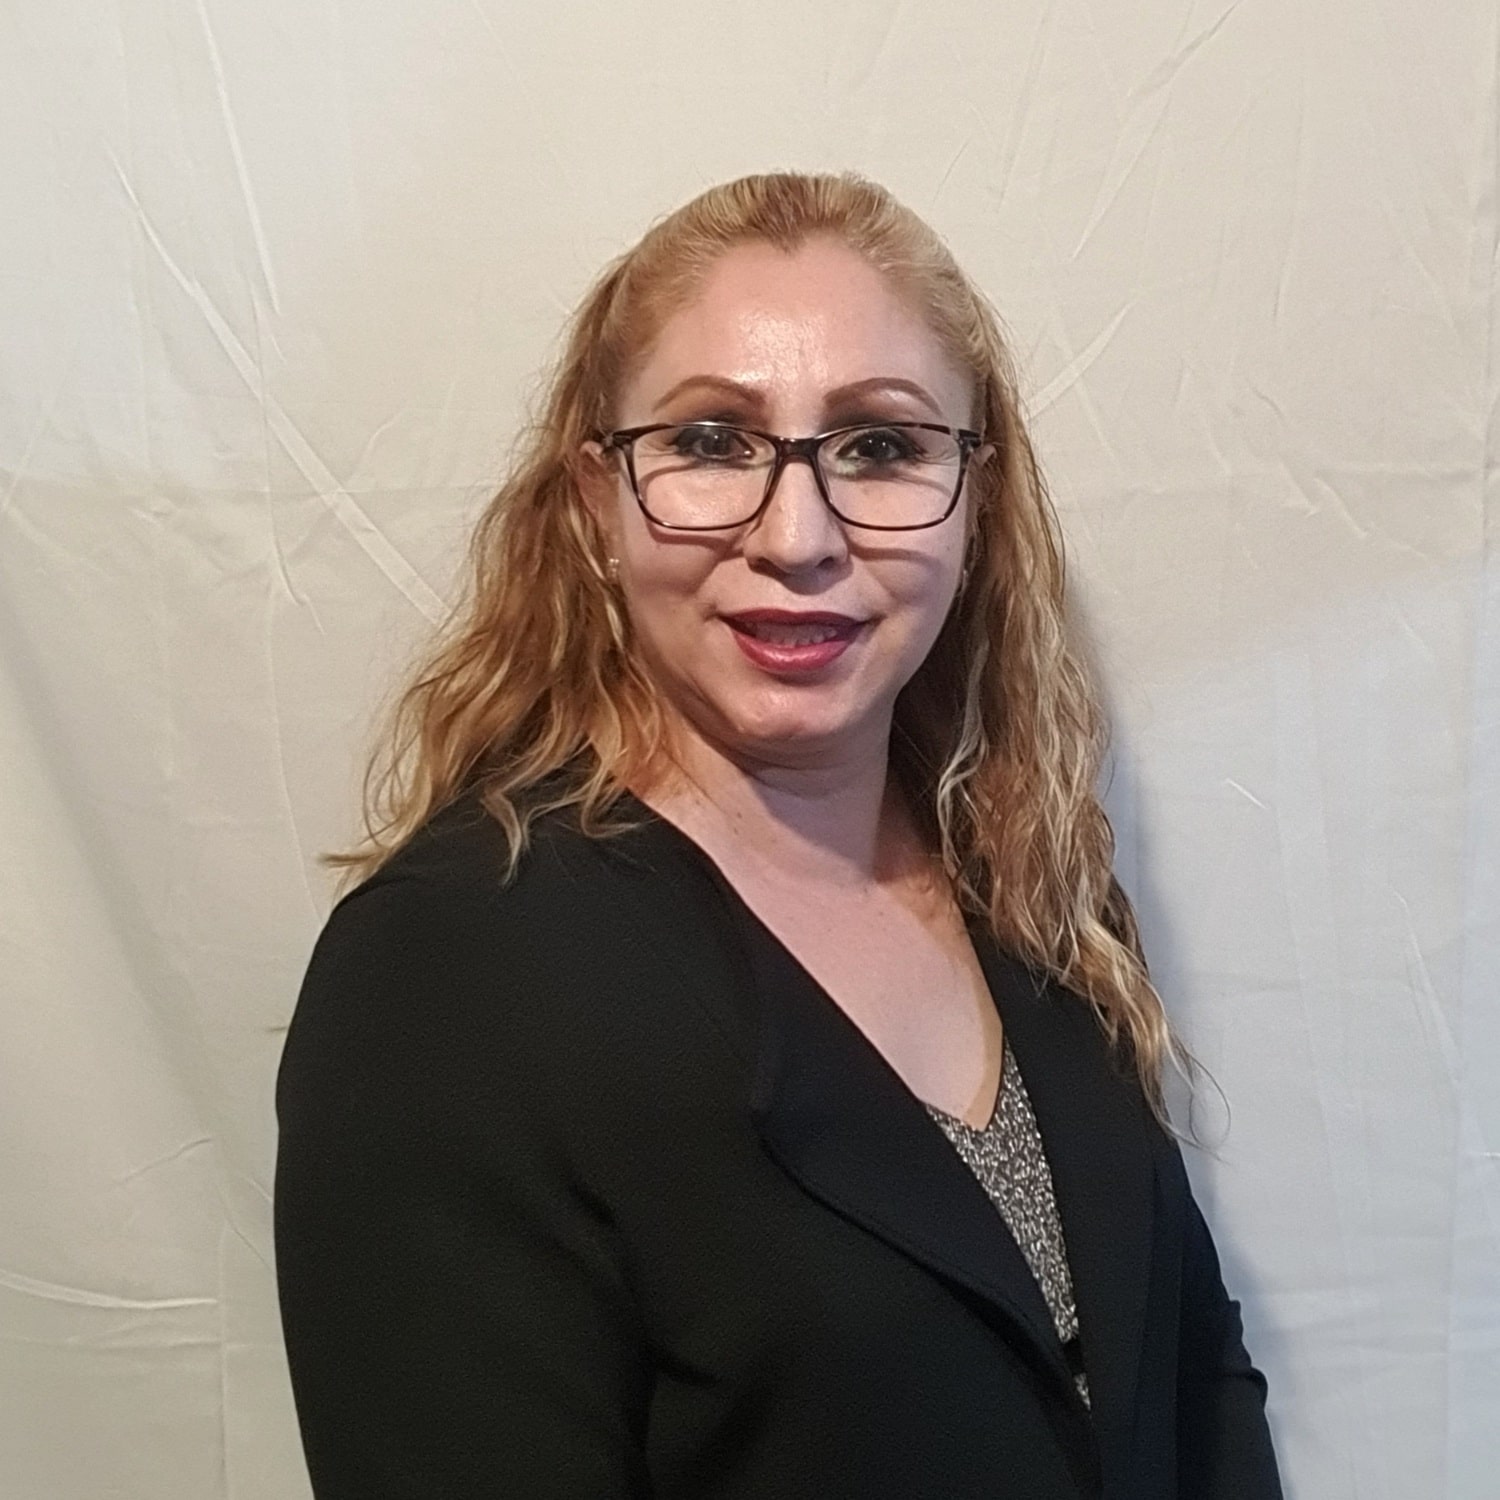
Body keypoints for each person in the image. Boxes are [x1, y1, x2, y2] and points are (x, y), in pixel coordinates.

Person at [273, 170, 1284, 1499]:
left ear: (975, 501)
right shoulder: (451, 972)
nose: (798, 537)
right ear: (595, 505)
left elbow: (1194, 1386)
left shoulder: (1029, 884)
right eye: (710, 442)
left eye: (880, 445)